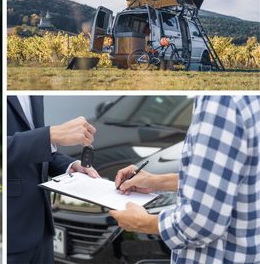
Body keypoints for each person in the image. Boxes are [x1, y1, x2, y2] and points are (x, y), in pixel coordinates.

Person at [109, 95, 260, 264]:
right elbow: (232, 180)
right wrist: (157, 181)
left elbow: (202, 220)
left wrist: (145, 223)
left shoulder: (222, 100)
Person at [7, 95, 100, 263]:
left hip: (43, 229)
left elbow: (32, 145)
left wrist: (69, 165)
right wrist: (50, 135)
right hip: (11, 232)